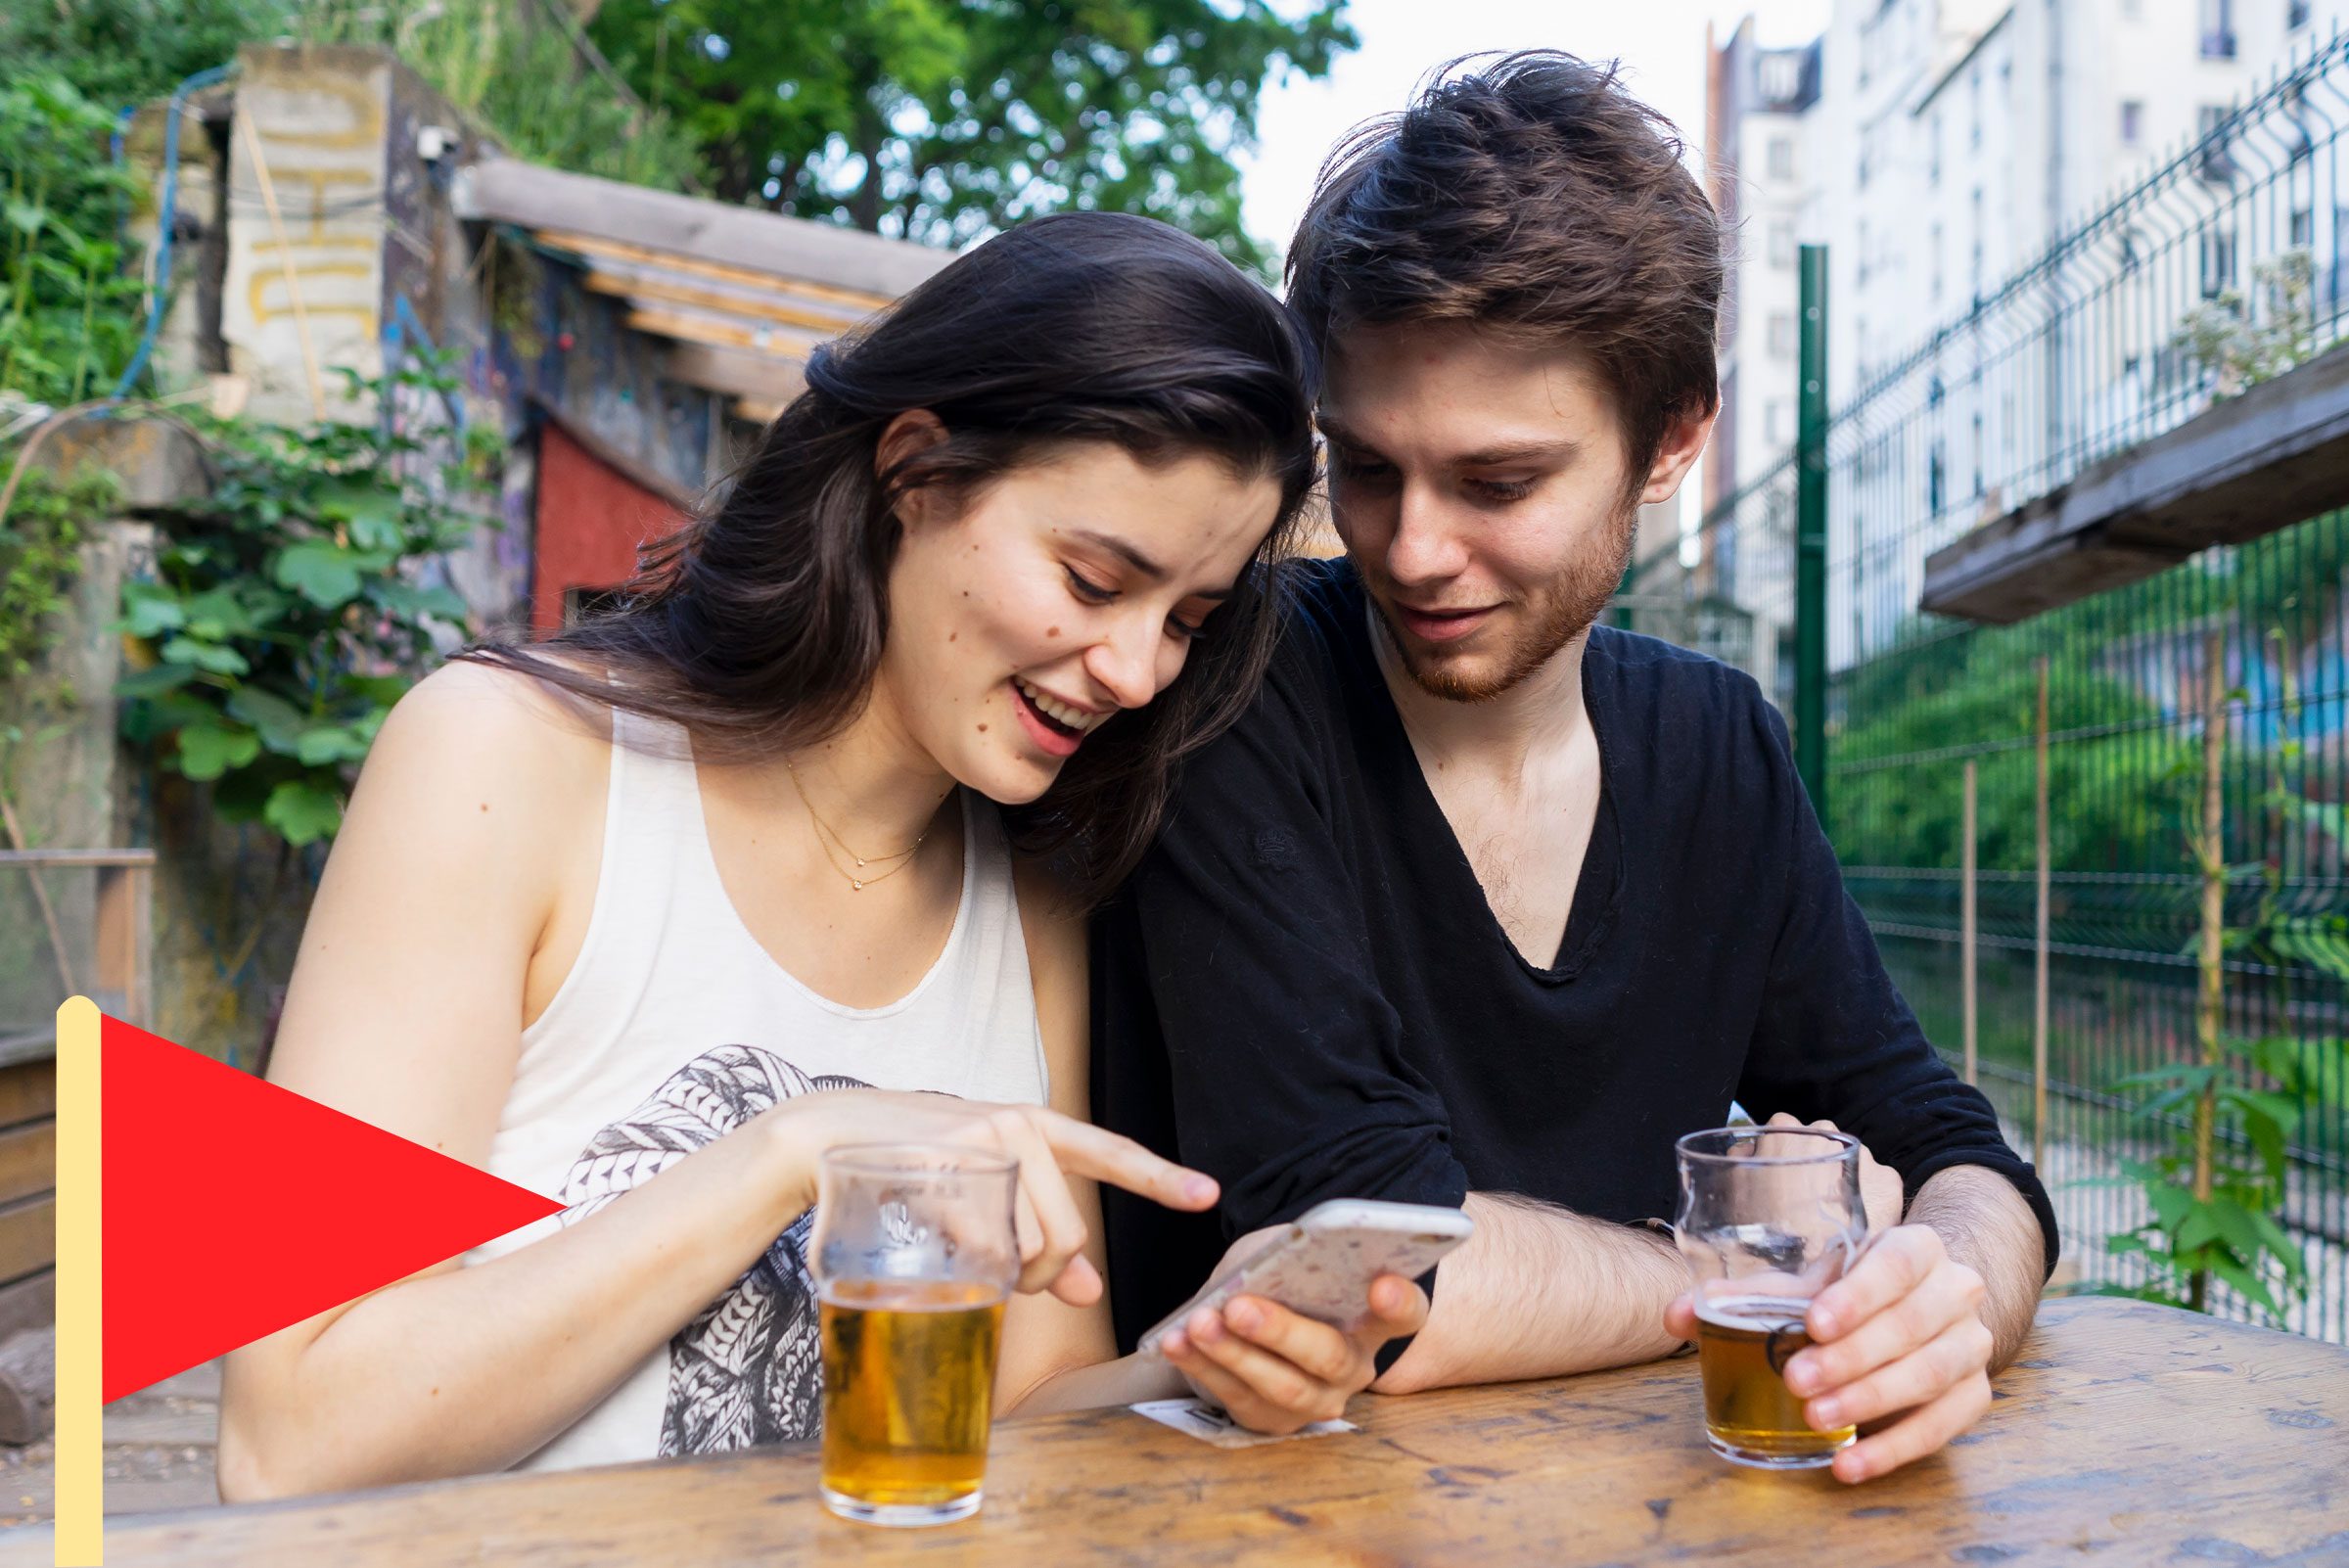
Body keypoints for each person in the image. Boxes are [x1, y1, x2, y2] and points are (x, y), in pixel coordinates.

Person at [216, 211, 1426, 1499]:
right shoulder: (503, 760)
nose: (1135, 671)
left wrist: (1211, 1363)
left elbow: (1017, 1405)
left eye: (1185, 617)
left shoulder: (1029, 894)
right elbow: (289, 1434)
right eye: (1088, 578)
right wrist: (799, 1150)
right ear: (915, 472)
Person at [1092, 54, 2059, 1486]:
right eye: (1363, 467)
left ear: (1670, 443)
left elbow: (1949, 1144)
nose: (1410, 547)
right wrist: (1743, 1264)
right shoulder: (1229, 688)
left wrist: (1944, 1296)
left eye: (1498, 483)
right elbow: (1367, 1251)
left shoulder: (1718, 746)